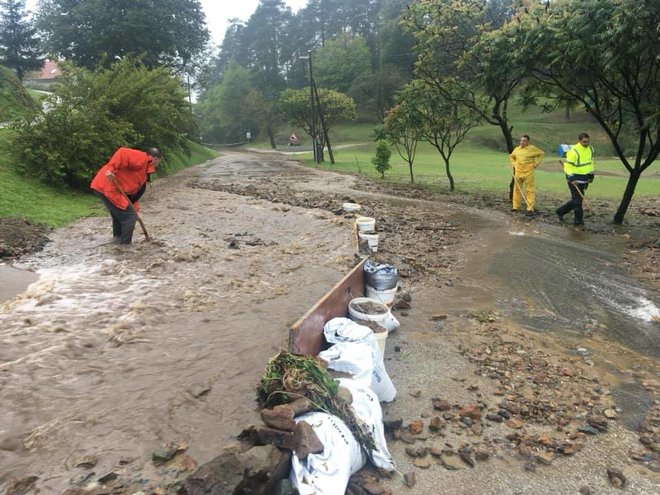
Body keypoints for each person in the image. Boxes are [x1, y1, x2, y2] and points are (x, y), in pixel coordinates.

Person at [90, 147, 162, 244]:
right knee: (129, 216)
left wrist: (136, 210)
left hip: (108, 188)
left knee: (121, 215)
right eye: (159, 161)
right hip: (107, 186)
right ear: (156, 158)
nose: (157, 164)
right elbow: (122, 152)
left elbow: (132, 196)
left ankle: (117, 241)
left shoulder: (143, 172)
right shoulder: (141, 158)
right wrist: (111, 169)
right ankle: (125, 247)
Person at [556, 133, 595, 226]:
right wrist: (571, 178)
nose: (586, 143)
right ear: (579, 141)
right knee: (577, 201)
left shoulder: (591, 149)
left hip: (585, 178)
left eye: (587, 141)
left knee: (577, 199)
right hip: (574, 178)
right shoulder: (573, 151)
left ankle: (560, 211)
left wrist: (591, 175)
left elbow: (590, 163)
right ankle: (578, 222)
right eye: (584, 142)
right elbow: (568, 166)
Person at [509, 134, 545, 216]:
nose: (522, 142)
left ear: (528, 141)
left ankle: (530, 208)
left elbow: (541, 154)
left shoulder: (532, 149)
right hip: (518, 172)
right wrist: (514, 164)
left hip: (528, 172)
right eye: (521, 140)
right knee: (517, 189)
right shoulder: (517, 149)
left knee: (530, 190)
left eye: (524, 141)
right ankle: (515, 206)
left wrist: (535, 164)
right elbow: (511, 156)